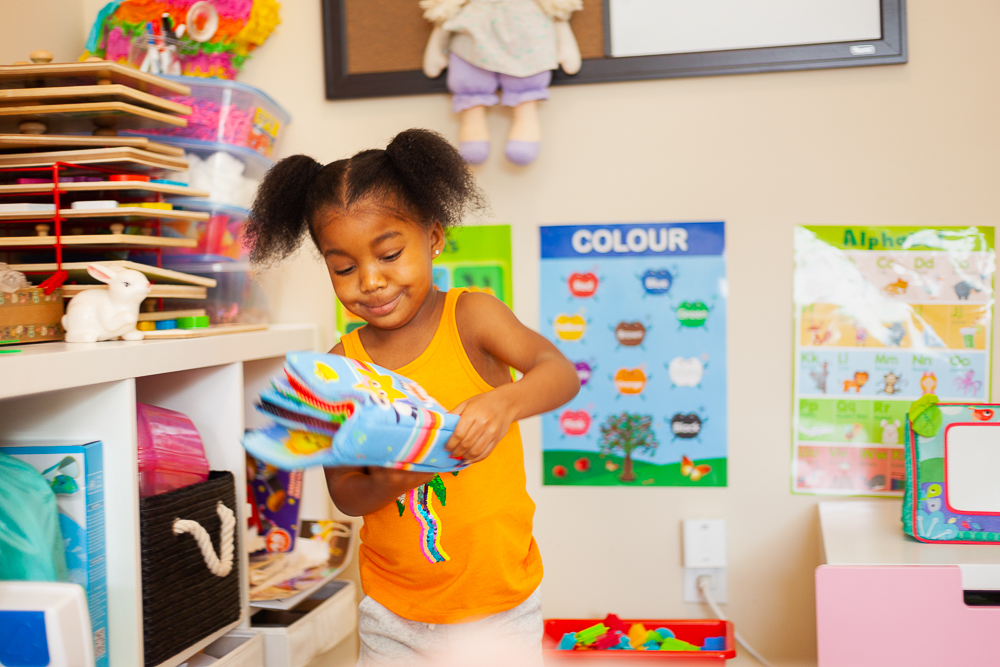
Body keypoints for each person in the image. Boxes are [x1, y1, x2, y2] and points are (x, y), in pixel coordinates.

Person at [244, 128, 580, 665]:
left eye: (390, 254)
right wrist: (400, 476)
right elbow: (345, 494)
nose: (371, 282)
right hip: (393, 617)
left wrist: (503, 404)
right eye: (344, 268)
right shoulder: (339, 365)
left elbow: (559, 371)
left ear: (434, 237)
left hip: (502, 608)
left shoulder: (471, 317)